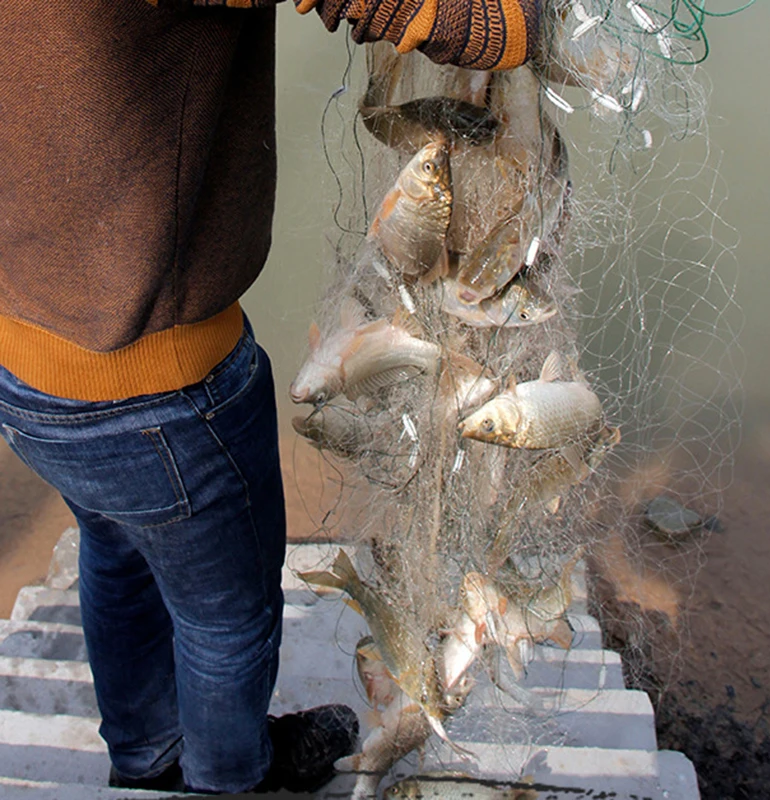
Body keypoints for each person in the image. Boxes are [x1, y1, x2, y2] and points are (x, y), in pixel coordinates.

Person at [0, 0, 540, 794]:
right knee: (226, 624)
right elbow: (496, 28)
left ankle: (146, 761)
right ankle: (231, 777)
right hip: (161, 389)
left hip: (24, 358)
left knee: (117, 552)